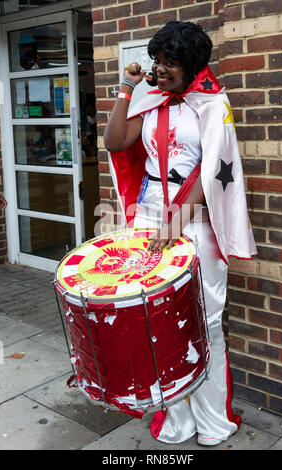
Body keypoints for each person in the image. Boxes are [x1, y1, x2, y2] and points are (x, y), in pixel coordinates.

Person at [104, 21, 256, 446]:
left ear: (192, 66)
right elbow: (116, 142)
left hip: (197, 221)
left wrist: (175, 225)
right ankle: (178, 419)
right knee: (158, 320)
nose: (161, 69)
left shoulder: (211, 104)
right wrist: (125, 89)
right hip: (150, 216)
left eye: (171, 63)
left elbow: (213, 173)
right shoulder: (150, 99)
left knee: (205, 321)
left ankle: (213, 420)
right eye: (158, 61)